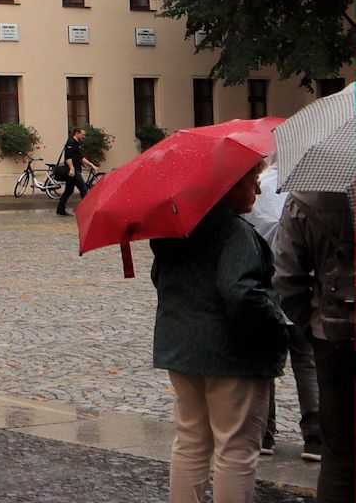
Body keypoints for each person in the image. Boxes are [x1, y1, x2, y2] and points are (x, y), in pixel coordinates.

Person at [151, 162, 289, 503]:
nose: (258, 191)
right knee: (236, 449)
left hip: (182, 349)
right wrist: (277, 321)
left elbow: (160, 279)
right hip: (232, 354)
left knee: (191, 442)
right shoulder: (235, 232)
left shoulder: (174, 230)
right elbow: (241, 292)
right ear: (228, 186)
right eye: (252, 182)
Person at [273, 190, 354, 503]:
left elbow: (286, 275)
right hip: (330, 335)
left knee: (340, 457)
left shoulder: (307, 197)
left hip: (334, 334)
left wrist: (310, 320)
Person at [242, 164, 321, 461]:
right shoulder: (308, 188)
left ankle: (264, 433)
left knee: (264, 365)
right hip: (301, 289)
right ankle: (315, 437)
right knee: (307, 363)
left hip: (263, 288)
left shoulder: (256, 187)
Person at [54, 127, 98, 216]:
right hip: (73, 171)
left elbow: (81, 157)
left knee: (69, 190)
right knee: (84, 189)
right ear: (77, 133)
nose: (84, 136)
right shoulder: (70, 142)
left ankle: (60, 209)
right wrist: (72, 168)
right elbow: (68, 158)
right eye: (83, 134)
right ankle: (87, 210)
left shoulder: (77, 143)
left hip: (75, 170)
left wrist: (91, 165)